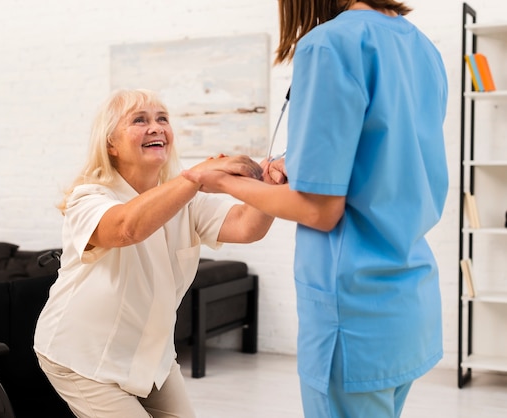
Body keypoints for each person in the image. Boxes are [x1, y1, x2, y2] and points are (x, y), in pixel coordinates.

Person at [182, 1, 449, 417]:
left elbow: (319, 211)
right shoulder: (422, 48)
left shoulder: (328, 45)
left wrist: (224, 182)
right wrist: (303, 165)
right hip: (409, 303)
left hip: (353, 315)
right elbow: (385, 162)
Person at [33, 88, 274, 418]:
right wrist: (196, 177)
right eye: (139, 120)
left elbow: (247, 226)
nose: (156, 127)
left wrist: (270, 188)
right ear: (111, 145)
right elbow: (126, 227)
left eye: (162, 119)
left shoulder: (185, 196)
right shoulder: (88, 197)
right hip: (85, 356)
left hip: (150, 356)